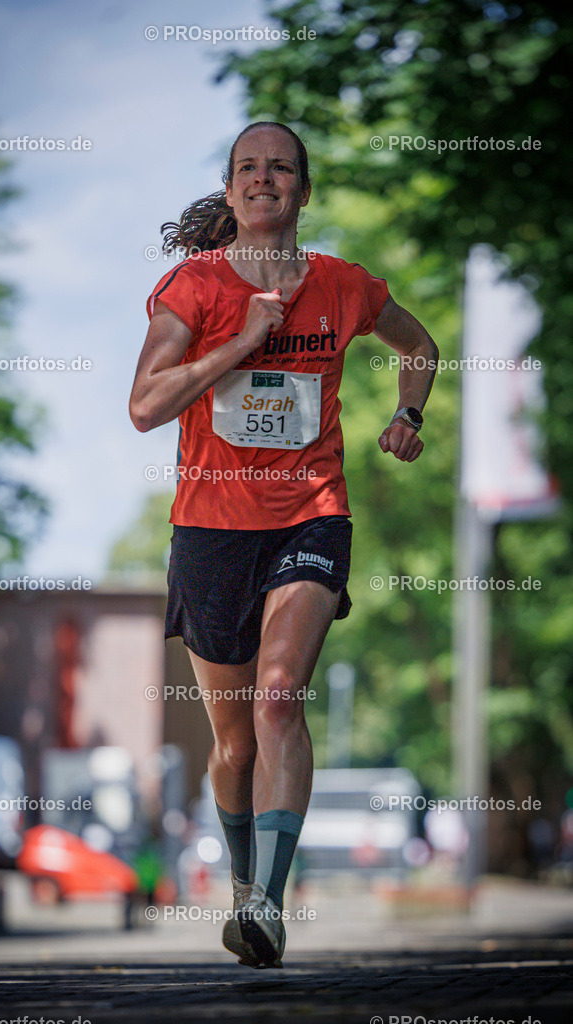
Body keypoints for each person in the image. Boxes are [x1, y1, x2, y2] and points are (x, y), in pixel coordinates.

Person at [130, 122, 438, 968]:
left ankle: (267, 903)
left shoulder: (344, 285)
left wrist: (407, 413)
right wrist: (239, 343)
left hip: (311, 513)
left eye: (281, 168)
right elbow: (145, 406)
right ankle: (241, 885)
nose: (263, 178)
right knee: (231, 745)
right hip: (210, 532)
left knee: (277, 700)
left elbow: (419, 346)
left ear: (302, 191)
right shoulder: (191, 287)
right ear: (230, 194)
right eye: (247, 168)